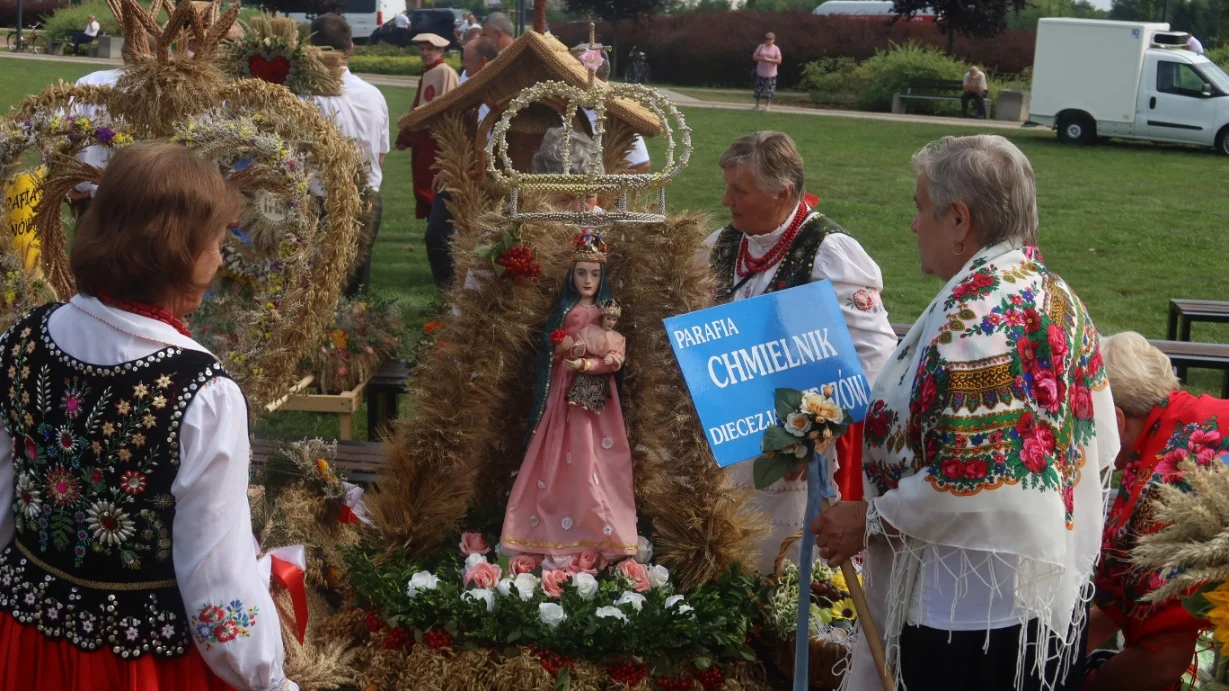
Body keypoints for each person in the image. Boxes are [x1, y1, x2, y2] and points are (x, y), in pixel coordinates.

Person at [812, 134, 1117, 691]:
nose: (912, 225)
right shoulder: (1052, 291)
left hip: (971, 614)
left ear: (958, 219)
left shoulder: (977, 323)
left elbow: (981, 477)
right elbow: (1097, 441)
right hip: (1035, 599)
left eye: (919, 208)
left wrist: (869, 519)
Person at [0, 142, 297, 691]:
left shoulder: (20, 342)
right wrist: (269, 679)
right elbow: (216, 579)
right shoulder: (204, 393)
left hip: (26, 640)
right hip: (139, 666)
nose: (221, 255)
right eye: (217, 238)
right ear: (178, 248)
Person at [702, 132, 897, 572]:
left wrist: (809, 430)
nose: (725, 200)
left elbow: (876, 360)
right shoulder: (722, 244)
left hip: (788, 462)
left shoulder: (828, 252)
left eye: (739, 191)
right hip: (722, 449)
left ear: (783, 193)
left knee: (778, 568)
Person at [1084, 332, 1228, 691]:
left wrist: (1087, 683)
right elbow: (1127, 592)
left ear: (1115, 421)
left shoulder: (1165, 489)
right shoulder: (1200, 419)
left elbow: (1162, 658)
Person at [499, 229, 637, 561]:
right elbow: (551, 346)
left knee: (599, 452)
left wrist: (588, 360)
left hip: (596, 394)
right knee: (559, 449)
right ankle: (548, 523)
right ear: (570, 276)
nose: (587, 280)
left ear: (602, 277)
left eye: (594, 274)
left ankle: (599, 526)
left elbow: (613, 352)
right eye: (580, 273)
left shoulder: (607, 314)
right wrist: (563, 348)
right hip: (564, 389)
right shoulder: (564, 310)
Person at [307, 14, 391, 295]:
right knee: (354, 288)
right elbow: (380, 156)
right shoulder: (374, 95)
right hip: (367, 199)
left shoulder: (305, 97)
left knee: (315, 288)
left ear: (311, 48)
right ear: (351, 47)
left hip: (320, 201)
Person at [422, 36, 498, 291]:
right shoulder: (465, 84)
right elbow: (459, 133)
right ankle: (447, 294)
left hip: (493, 181)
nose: (462, 66)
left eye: (467, 60)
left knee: (482, 241)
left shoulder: (508, 91)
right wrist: (449, 166)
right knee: (436, 234)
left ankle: (474, 301)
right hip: (461, 174)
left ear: (483, 62)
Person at [572, 42, 652, 174]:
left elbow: (641, 165)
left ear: (590, 74)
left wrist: (604, 190)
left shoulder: (618, 114)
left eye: (574, 69)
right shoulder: (573, 103)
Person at [402, 32, 458, 220]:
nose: (425, 53)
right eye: (422, 49)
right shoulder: (430, 72)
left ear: (440, 51)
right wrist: (406, 133)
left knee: (429, 182)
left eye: (429, 49)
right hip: (424, 138)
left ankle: (437, 218)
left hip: (435, 139)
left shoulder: (444, 72)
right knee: (422, 180)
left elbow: (446, 108)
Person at [566, 301, 626, 413]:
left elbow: (620, 354)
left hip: (603, 368)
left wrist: (613, 359)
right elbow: (579, 340)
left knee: (599, 385)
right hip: (587, 361)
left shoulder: (618, 338)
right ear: (602, 318)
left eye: (614, 319)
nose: (611, 322)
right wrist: (578, 349)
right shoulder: (590, 329)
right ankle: (576, 397)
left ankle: (593, 404)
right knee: (582, 380)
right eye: (608, 318)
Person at [752, 32, 782, 111]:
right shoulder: (761, 46)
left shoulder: (776, 48)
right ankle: (757, 105)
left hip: (771, 73)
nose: (768, 40)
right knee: (759, 89)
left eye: (770, 39)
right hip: (761, 71)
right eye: (767, 39)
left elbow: (779, 60)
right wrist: (762, 59)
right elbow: (754, 56)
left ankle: (768, 105)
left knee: (769, 90)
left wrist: (770, 60)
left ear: (773, 40)